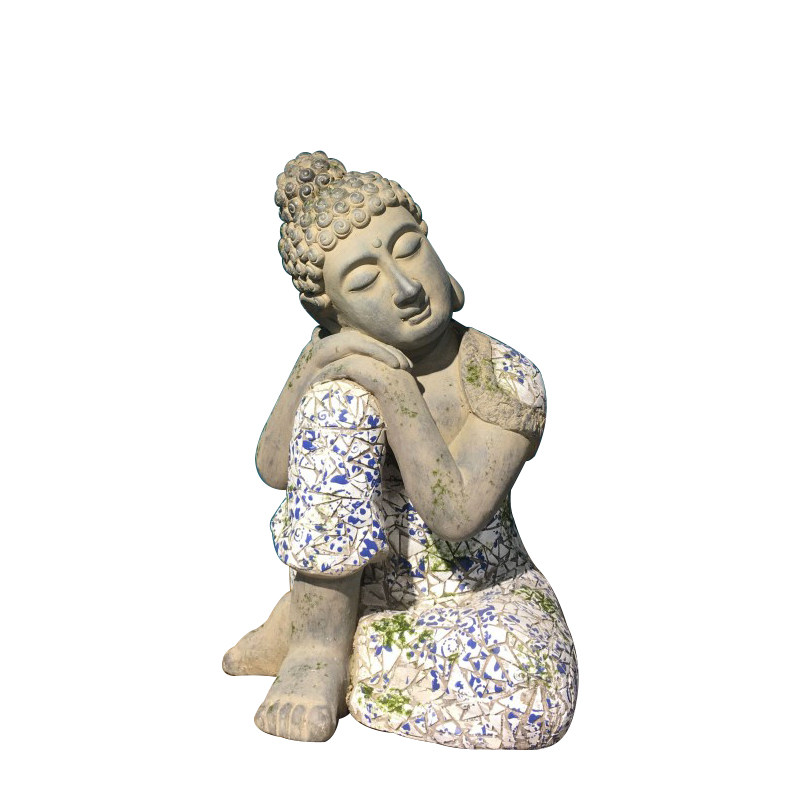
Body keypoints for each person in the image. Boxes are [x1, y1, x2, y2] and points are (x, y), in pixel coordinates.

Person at [223, 152, 577, 749]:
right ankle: (315, 650)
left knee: (530, 695)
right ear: (329, 309)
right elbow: (274, 468)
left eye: (409, 249)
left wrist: (394, 389)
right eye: (365, 281)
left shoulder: (502, 376)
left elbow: (455, 516)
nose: (406, 288)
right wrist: (318, 361)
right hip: (361, 584)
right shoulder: (338, 360)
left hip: (480, 598)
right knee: (338, 400)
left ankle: (314, 630)